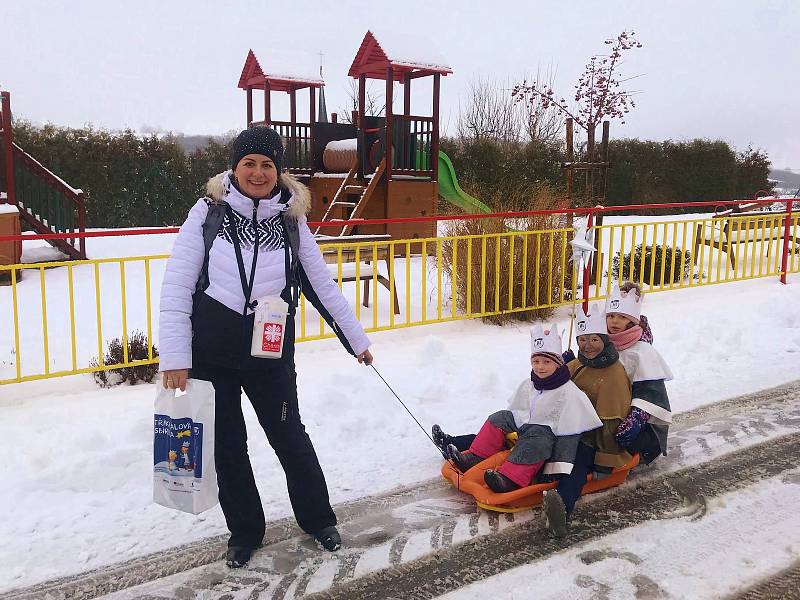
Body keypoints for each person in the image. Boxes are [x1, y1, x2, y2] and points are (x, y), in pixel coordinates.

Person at [158, 126, 373, 568]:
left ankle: (317, 519)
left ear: (280, 171)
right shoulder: (208, 213)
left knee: (289, 435)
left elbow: (321, 285)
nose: (258, 172)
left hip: (269, 353)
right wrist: (176, 358)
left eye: (267, 164)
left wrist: (356, 340)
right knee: (228, 447)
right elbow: (177, 287)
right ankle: (246, 532)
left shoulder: (291, 220)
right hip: (212, 352)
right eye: (249, 163)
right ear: (235, 168)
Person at [446, 324, 601, 493]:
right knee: (498, 418)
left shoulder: (569, 392)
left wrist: (555, 470)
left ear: (558, 364)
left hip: (546, 440)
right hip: (527, 427)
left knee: (536, 439)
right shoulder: (531, 384)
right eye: (536, 361)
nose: (540, 367)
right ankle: (475, 458)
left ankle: (508, 479)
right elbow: (518, 410)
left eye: (547, 362)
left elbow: (570, 434)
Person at [541, 304, 633, 537]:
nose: (587, 346)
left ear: (604, 340)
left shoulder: (613, 374)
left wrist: (605, 459)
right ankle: (473, 453)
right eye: (582, 340)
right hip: (563, 425)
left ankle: (561, 507)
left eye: (594, 340)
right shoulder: (578, 364)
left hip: (591, 436)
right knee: (531, 437)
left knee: (576, 464)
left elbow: (611, 421)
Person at [605, 282, 673, 465]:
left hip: (639, 424)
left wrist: (638, 416)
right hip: (609, 412)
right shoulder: (603, 345)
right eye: (611, 316)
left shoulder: (643, 351)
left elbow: (651, 392)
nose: (615, 322)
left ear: (633, 320)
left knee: (617, 438)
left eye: (621, 317)